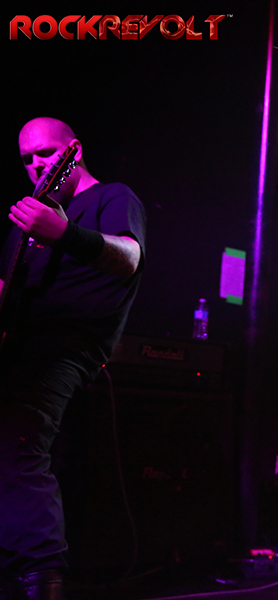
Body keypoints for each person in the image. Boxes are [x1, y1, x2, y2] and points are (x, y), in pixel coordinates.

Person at [0, 117, 146, 600]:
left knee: (17, 444)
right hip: (19, 346)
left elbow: (128, 258)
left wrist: (63, 234)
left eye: (45, 153)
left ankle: (41, 578)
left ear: (73, 151)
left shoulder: (112, 197)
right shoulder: (26, 221)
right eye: (27, 159)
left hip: (68, 348)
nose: (37, 165)